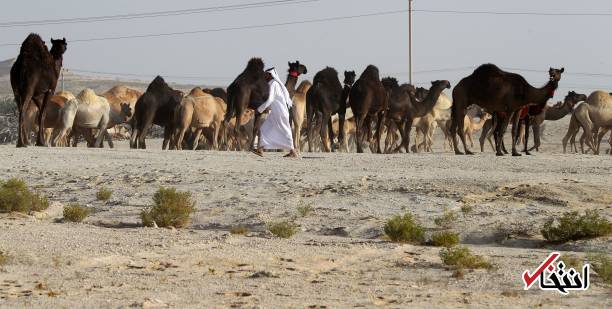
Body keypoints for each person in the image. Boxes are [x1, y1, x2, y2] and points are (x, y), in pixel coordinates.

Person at [251, 68, 299, 158]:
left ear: (270, 75)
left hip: (280, 112)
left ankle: (293, 151)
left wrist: (259, 109)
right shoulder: (272, 84)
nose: (264, 76)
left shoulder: (273, 84)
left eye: (266, 74)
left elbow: (270, 100)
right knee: (264, 129)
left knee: (285, 130)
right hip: (276, 113)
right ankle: (260, 149)